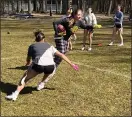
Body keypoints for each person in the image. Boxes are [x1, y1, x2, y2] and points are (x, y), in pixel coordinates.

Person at [5, 30, 79, 101]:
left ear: (36, 39)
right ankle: (42, 83)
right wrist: (71, 64)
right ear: (43, 39)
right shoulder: (50, 46)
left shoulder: (32, 46)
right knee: (50, 70)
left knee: (25, 78)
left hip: (38, 66)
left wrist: (27, 63)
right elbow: (61, 55)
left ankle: (15, 94)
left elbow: (28, 59)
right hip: (50, 67)